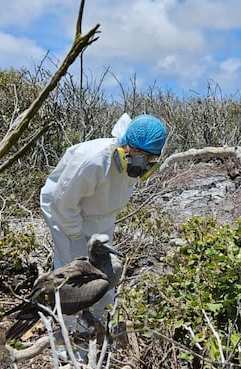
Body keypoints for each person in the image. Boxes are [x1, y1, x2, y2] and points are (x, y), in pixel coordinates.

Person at [39, 113, 167, 328]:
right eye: (136, 152)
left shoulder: (130, 166)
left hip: (101, 216)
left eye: (148, 156)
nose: (141, 161)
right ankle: (70, 337)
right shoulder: (93, 161)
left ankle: (102, 323)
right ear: (126, 143)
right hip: (66, 216)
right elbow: (63, 204)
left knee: (104, 273)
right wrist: (76, 242)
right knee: (73, 278)